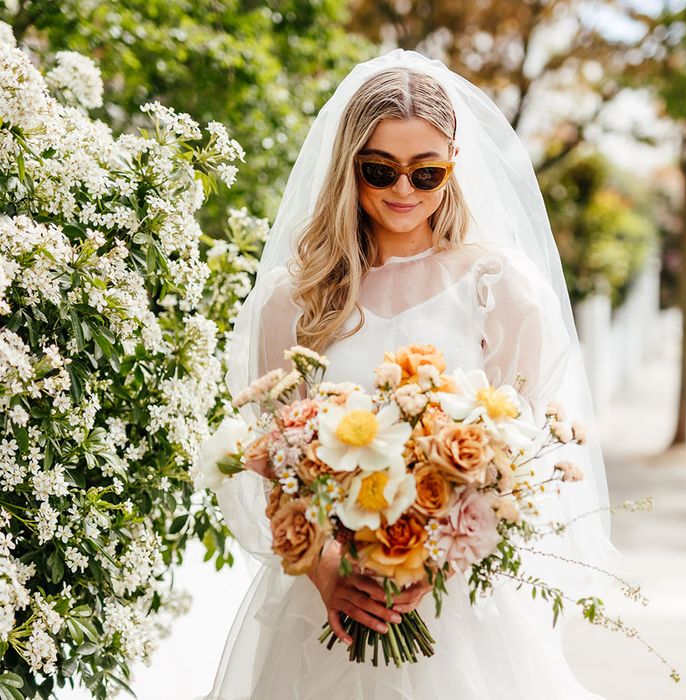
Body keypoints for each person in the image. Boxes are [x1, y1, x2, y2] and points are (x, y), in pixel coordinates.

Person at [204, 50, 615, 699]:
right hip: (327, 609)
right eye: (380, 169)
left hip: (460, 616)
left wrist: (442, 560)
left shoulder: (498, 288)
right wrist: (329, 573)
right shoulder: (296, 300)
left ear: (452, 168)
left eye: (427, 173)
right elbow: (272, 459)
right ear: (349, 167)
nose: (403, 191)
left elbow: (519, 461)